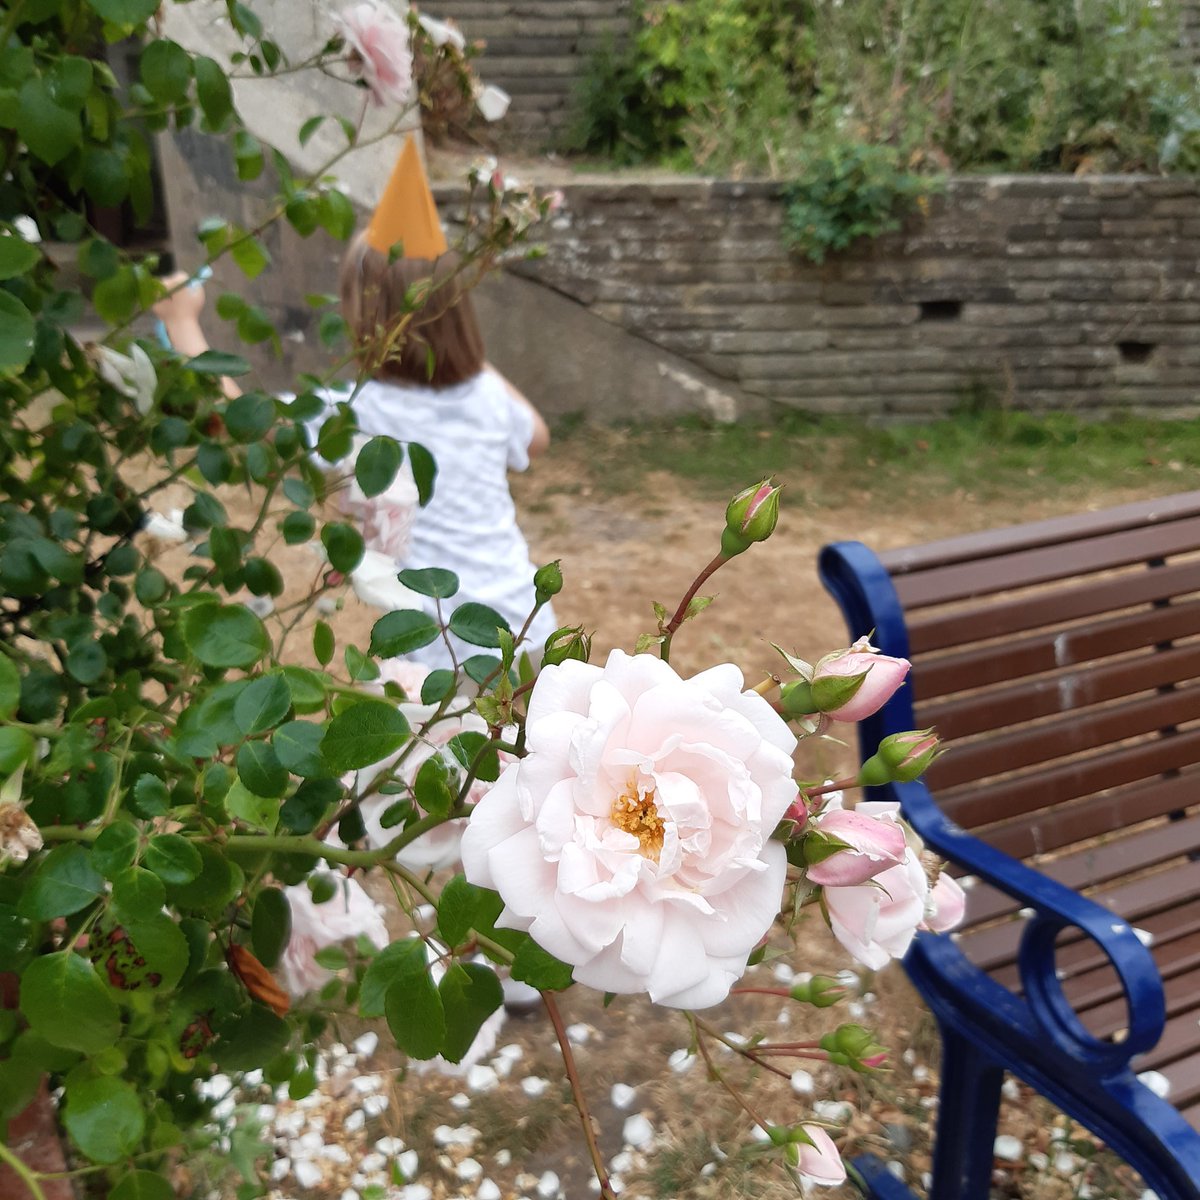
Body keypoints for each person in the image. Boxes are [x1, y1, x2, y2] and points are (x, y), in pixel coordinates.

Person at [313, 134, 558, 670]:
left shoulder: (356, 413)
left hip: (438, 645)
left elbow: (260, 423)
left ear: (365, 320)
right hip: (525, 625)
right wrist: (467, 352)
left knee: (439, 752)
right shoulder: (486, 394)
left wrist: (182, 323)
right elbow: (536, 438)